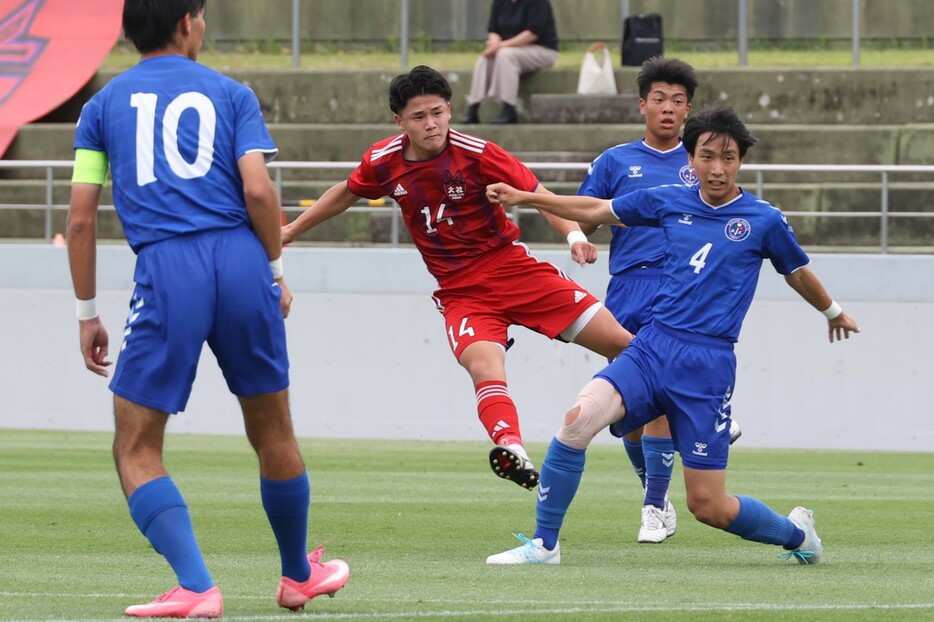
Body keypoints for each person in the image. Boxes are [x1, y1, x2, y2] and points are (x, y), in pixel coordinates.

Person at [66, 1, 349, 616]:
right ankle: (298, 575)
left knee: (136, 445)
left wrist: (88, 310)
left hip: (169, 268)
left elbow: (82, 217)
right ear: (186, 22)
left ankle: (196, 585)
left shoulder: (101, 108)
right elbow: (257, 189)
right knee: (273, 428)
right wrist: (275, 270)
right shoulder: (231, 93)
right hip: (243, 262)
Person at [484, 106, 860, 566]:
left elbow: (796, 270)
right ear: (691, 158)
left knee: (709, 506)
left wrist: (833, 311)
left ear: (740, 160)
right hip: (652, 346)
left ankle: (798, 535)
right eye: (707, 156)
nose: (717, 168)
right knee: (577, 420)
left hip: (707, 365)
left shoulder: (763, 219)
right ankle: (544, 546)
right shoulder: (669, 199)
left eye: (728, 157)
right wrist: (529, 198)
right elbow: (596, 209)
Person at [282, 65, 632, 491]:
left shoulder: (478, 153)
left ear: (449, 110)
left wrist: (575, 235)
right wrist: (292, 231)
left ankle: (697, 400)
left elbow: (538, 196)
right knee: (484, 366)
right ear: (399, 122)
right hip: (461, 292)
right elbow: (347, 191)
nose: (431, 124)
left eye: (437, 112)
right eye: (418, 117)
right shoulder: (383, 161)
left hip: (514, 271)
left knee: (623, 345)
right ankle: (512, 448)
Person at [577, 57, 739, 544]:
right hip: (626, 286)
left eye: (678, 101)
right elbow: (584, 215)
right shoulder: (614, 161)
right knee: (630, 414)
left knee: (664, 398)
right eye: (659, 100)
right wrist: (578, 236)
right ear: (642, 105)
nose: (668, 109)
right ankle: (657, 488)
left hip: (678, 289)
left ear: (689, 109)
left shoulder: (701, 161)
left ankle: (652, 507)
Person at [460, 0, 559, 125]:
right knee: (485, 58)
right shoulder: (499, 2)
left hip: (543, 50)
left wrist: (501, 46)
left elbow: (533, 33)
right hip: (509, 49)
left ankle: (509, 109)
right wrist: (494, 43)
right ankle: (473, 108)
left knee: (505, 55)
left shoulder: (539, 2)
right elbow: (493, 29)